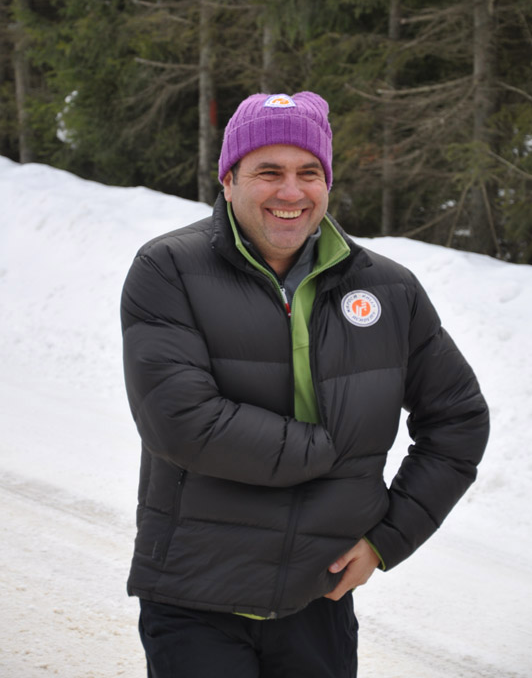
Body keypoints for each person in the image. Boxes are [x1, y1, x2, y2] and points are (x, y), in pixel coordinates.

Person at [121, 91, 489, 678]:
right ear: (228, 180)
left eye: (309, 172)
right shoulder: (169, 269)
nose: (291, 192)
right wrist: (327, 452)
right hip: (195, 596)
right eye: (268, 172)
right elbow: (181, 421)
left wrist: (387, 539)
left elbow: (458, 419)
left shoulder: (388, 290)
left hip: (318, 603)